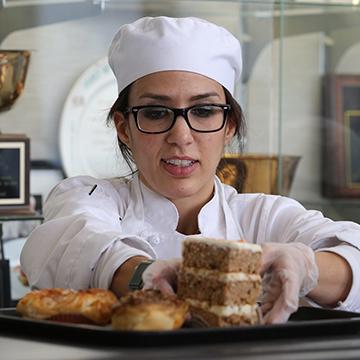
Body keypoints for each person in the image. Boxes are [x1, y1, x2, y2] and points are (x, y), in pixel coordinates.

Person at [21, 16, 360, 324]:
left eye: (204, 111)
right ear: (124, 128)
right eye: (155, 112)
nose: (181, 137)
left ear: (229, 125)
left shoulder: (265, 218)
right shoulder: (92, 199)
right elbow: (72, 241)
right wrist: (146, 275)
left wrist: (309, 268)